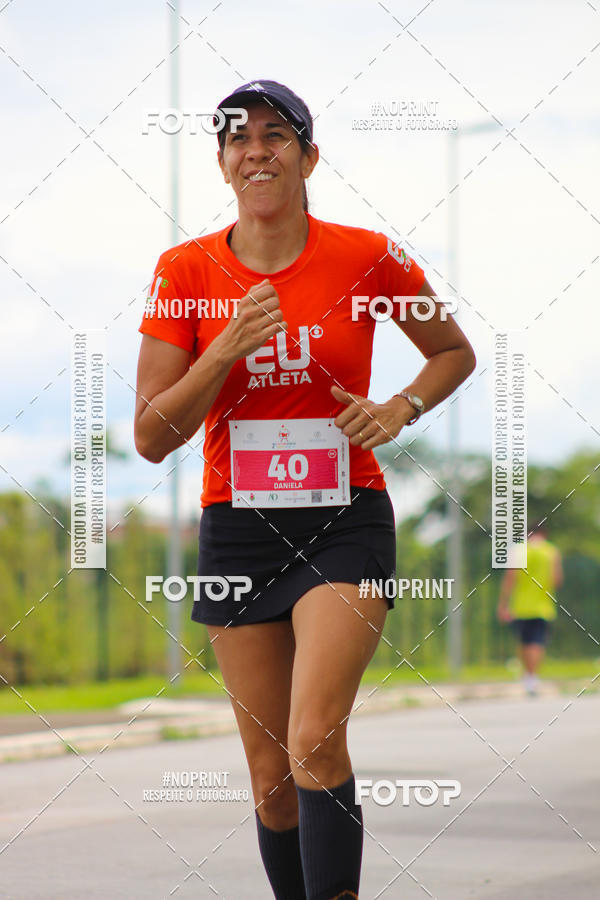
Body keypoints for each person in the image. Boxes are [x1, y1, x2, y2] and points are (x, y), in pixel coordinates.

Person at [134, 79, 476, 900]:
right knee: (271, 778)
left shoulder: (369, 256)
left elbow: (453, 352)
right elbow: (150, 436)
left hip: (344, 520)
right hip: (238, 530)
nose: (257, 151)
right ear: (223, 164)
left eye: (276, 135)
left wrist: (400, 406)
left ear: (308, 157)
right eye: (238, 138)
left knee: (315, 737)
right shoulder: (184, 270)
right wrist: (224, 349)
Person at [497, 527, 563, 696]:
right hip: (543, 606)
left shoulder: (519, 550)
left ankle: (527, 676)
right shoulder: (551, 551)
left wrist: (503, 603)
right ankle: (533, 677)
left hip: (520, 606)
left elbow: (510, 577)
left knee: (524, 641)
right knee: (537, 641)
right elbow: (556, 580)